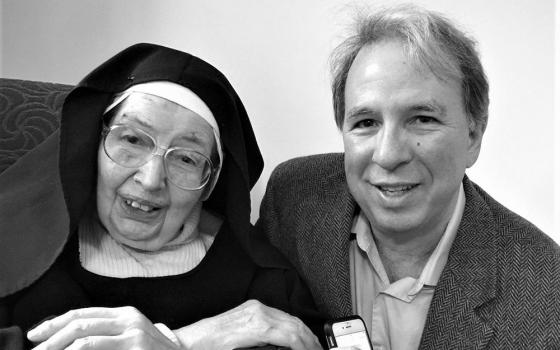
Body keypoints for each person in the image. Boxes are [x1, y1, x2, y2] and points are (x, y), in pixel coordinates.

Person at [258, 4, 560, 349]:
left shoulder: (545, 292)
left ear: (473, 135)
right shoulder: (294, 200)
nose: (388, 154)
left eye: (422, 119)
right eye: (366, 122)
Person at [0, 43, 323, 350]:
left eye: (186, 158)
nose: (151, 179)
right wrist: (180, 341)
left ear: (210, 181)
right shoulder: (12, 244)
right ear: (94, 146)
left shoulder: (264, 287)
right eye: (132, 139)